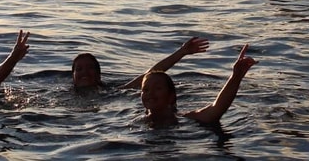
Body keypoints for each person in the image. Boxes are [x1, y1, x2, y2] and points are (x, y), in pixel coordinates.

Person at [140, 43, 257, 127]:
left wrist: (235, 77)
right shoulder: (136, 122)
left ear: (171, 96)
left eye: (158, 88)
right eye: (145, 89)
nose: (150, 93)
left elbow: (216, 109)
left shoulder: (184, 119)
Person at [71, 37, 210, 92]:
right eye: (79, 69)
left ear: (99, 75)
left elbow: (149, 75)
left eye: (90, 68)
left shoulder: (112, 92)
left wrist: (182, 52)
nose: (84, 72)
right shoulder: (57, 97)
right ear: (73, 76)